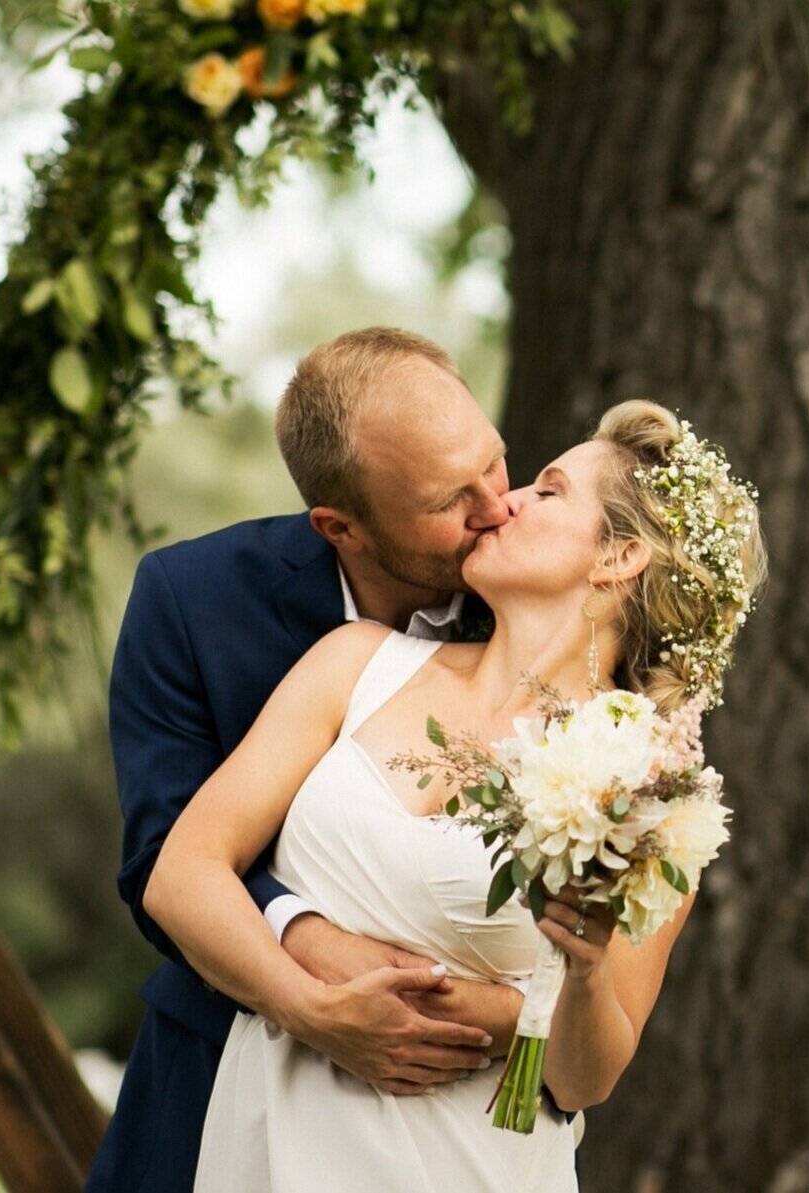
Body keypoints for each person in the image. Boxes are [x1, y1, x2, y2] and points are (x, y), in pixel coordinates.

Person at [146, 399, 767, 1191]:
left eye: (547, 491)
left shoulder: (651, 786)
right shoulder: (356, 664)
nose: (504, 502)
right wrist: (309, 1008)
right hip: (270, 1141)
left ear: (617, 558)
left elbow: (585, 1080)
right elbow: (182, 874)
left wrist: (577, 972)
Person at [86, 328, 526, 1192]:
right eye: (451, 499)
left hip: (463, 1112)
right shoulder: (191, 601)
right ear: (339, 526)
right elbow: (160, 860)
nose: (498, 507)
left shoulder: (528, 592)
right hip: (216, 1075)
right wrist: (316, 972)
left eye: (497, 464)